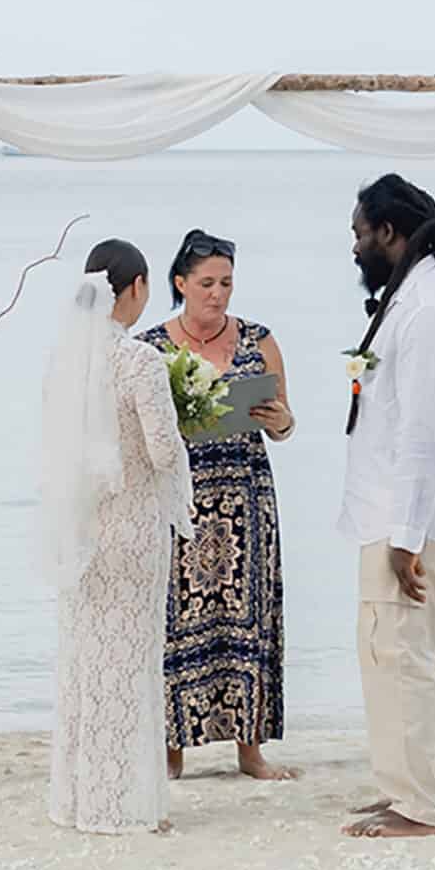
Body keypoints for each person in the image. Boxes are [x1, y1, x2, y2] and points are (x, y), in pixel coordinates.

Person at [339, 175, 435, 839]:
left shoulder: (429, 307)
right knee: (419, 654)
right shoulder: (421, 295)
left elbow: (424, 429)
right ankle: (412, 786)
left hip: (414, 518)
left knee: (402, 653)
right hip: (420, 512)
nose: (353, 246)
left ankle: (418, 805)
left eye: (359, 232)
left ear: (390, 233)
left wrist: (404, 536)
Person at [43, 240, 195, 835]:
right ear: (135, 289)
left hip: (80, 528)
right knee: (129, 667)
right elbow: (161, 448)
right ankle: (124, 803)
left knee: (84, 665)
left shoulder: (67, 361)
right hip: (131, 530)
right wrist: (185, 445)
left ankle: (77, 800)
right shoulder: (141, 361)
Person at [140, 229, 299, 782]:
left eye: (226, 282)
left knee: (247, 620)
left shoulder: (259, 339)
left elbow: (284, 423)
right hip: (181, 505)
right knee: (175, 624)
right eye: (206, 283)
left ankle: (250, 752)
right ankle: (170, 752)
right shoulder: (150, 349)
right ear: (180, 283)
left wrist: (281, 422)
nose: (218, 294)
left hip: (246, 502)